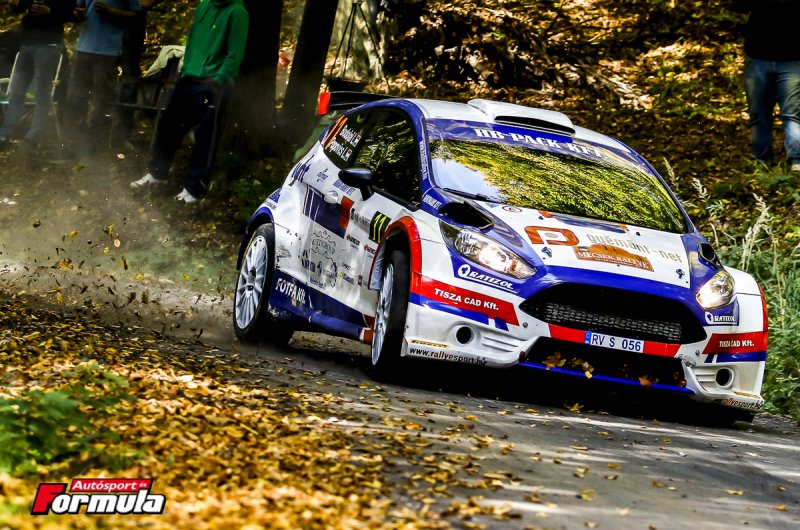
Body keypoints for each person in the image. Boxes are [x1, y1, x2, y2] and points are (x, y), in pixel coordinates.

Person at [130, 0, 249, 204]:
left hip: (213, 83)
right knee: (168, 125)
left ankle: (194, 188)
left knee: (204, 136)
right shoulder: (204, 5)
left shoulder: (237, 12)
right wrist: (185, 70)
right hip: (188, 78)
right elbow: (193, 39)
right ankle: (157, 173)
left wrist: (219, 80)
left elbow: (235, 53)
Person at [733, 0, 800, 172]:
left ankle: (796, 161)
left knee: (792, 114)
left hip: (792, 59)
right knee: (759, 114)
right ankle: (763, 161)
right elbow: (739, 6)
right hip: (758, 57)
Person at [0, 0, 75, 151]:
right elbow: (20, 7)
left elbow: (73, 14)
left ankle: (32, 139)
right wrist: (13, 4)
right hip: (27, 43)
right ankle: (4, 136)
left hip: (49, 45)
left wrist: (50, 12)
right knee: (16, 93)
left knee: (42, 93)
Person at [67, 0, 139, 154]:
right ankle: (75, 144)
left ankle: (96, 147)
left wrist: (112, 11)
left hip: (108, 52)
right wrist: (78, 14)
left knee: (102, 101)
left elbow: (135, 14)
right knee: (76, 98)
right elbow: (78, 9)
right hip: (83, 48)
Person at [116, 0, 162, 147]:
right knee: (102, 80)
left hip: (131, 34)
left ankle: (122, 134)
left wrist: (136, 5)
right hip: (104, 33)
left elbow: (147, 3)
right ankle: (99, 132)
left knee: (129, 82)